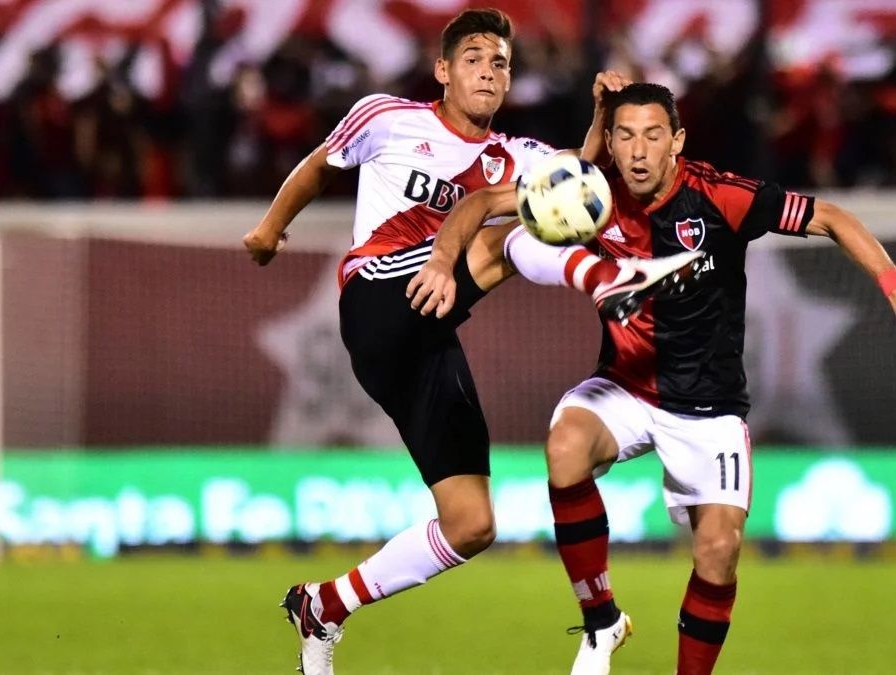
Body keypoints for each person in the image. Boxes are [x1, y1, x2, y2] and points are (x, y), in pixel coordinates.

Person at [425, 82, 896, 675]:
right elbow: (479, 205)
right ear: (612, 146)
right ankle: (601, 624)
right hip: (623, 386)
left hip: (709, 408)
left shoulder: (719, 196)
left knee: (718, 553)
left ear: (677, 141)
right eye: (625, 137)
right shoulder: (590, 193)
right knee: (565, 444)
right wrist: (443, 260)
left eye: (652, 135)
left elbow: (829, 216)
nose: (639, 151)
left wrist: (895, 285)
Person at [241, 10, 702, 674]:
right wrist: (268, 228)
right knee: (511, 221)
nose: (490, 71)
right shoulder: (388, 117)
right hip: (378, 297)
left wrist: (602, 117)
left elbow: (576, 174)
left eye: (502, 63)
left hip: (426, 338)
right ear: (443, 69)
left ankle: (325, 605)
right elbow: (319, 166)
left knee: (470, 523)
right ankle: (610, 280)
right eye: (476, 58)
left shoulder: (515, 154)